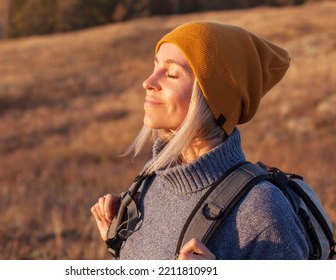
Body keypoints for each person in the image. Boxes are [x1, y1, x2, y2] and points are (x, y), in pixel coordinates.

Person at [91, 21, 309, 260]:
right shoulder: (150, 180)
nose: (148, 82)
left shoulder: (262, 210)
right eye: (155, 67)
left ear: (212, 100)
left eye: (172, 74)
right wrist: (119, 242)